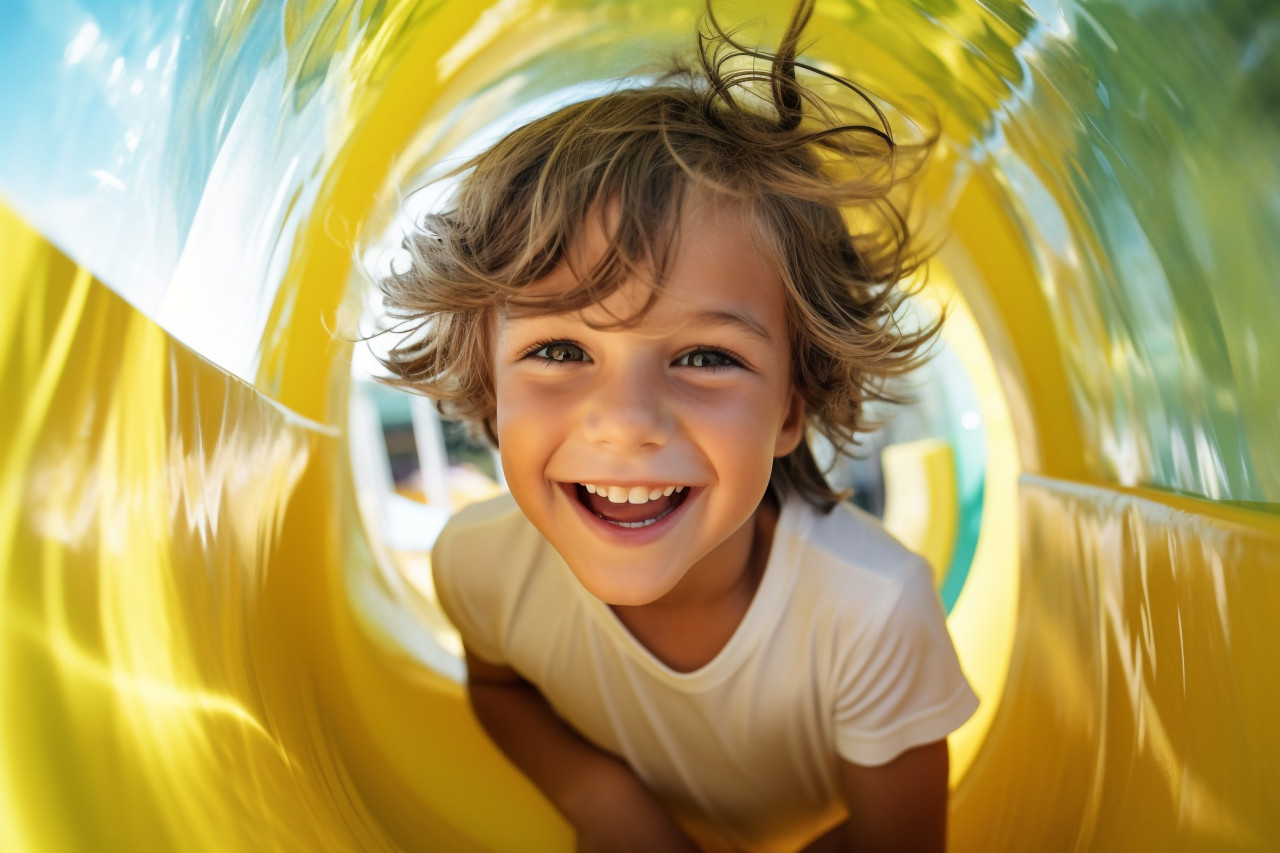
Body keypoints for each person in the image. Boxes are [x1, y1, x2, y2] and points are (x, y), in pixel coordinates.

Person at [375, 1, 978, 850]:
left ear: (790, 410)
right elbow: (501, 688)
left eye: (703, 357)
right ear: (488, 381)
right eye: (559, 348)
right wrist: (603, 800)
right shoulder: (479, 566)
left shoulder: (871, 612)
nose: (626, 424)